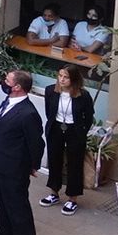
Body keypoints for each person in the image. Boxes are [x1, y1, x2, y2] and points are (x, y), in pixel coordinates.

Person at [42, 64, 94, 215]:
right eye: (60, 76)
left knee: (74, 163)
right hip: (56, 128)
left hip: (74, 131)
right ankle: (54, 193)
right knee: (54, 160)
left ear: (74, 79)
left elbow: (89, 116)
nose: (62, 79)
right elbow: (49, 111)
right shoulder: (50, 91)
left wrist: (82, 131)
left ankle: (72, 199)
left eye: (66, 77)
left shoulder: (83, 96)